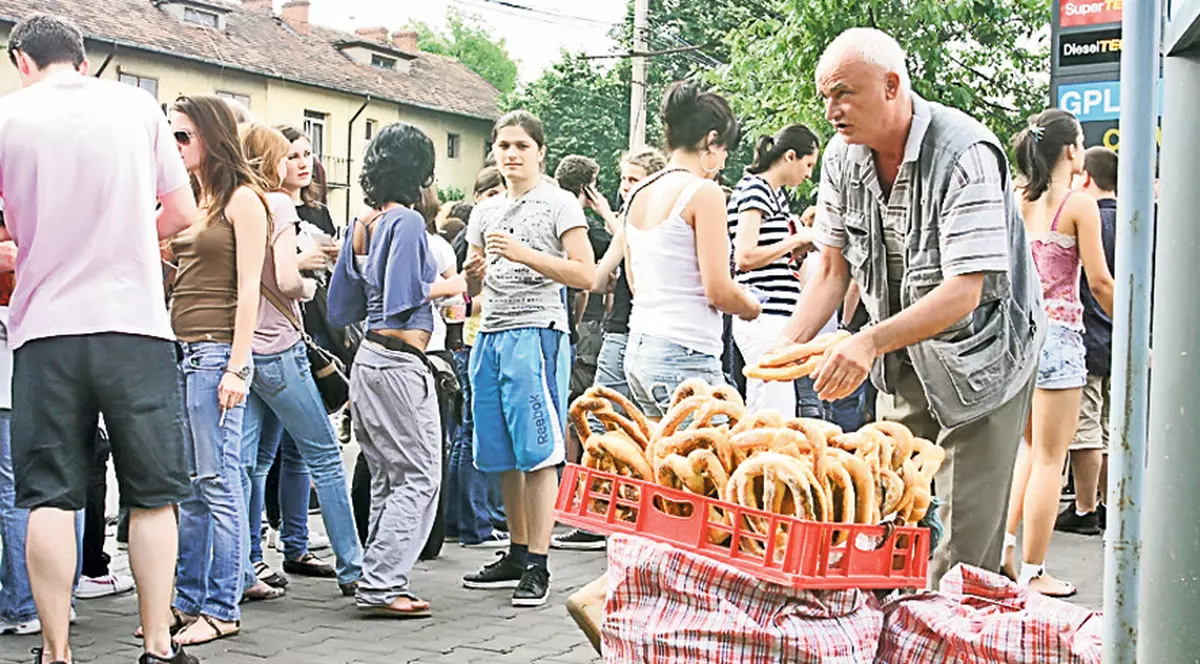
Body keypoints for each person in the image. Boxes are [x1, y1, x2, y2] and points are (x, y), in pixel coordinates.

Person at [781, 28, 1045, 587]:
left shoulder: (966, 152)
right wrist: (783, 355)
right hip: (903, 366)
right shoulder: (840, 158)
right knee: (889, 520)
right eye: (825, 96)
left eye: (843, 94)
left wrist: (869, 339)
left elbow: (964, 289)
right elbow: (832, 269)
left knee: (959, 548)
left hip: (982, 365)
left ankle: (963, 627)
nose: (830, 111)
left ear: (892, 85)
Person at [0, 14, 200, 664]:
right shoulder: (136, 106)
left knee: (49, 496)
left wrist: (28, 248)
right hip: (135, 326)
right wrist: (129, 237)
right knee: (151, 494)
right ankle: (158, 648)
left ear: (21, 61)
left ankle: (56, 654)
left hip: (45, 332)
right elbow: (183, 212)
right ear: (84, 61)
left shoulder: (9, 117)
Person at [461, 111, 597, 607]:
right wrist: (473, 274)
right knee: (500, 453)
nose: (512, 154)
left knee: (539, 451)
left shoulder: (560, 203)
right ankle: (516, 552)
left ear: (540, 150)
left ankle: (539, 562)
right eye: (503, 146)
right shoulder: (484, 211)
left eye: (521, 145)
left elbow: (587, 275)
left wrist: (524, 254)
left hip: (537, 331)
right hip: (490, 333)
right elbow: (472, 289)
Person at [237, 123, 363, 599]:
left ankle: (248, 562)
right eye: (289, 154)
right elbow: (287, 281)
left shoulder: (234, 203)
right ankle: (354, 567)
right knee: (325, 457)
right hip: (279, 345)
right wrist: (310, 285)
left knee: (251, 463)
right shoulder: (278, 204)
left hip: (243, 347)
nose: (300, 161)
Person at [327, 122, 448, 618]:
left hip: (368, 360)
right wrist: (452, 283)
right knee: (420, 475)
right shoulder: (408, 222)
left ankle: (374, 575)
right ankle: (381, 583)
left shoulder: (362, 224)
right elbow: (403, 300)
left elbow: (340, 307)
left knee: (385, 475)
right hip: (400, 361)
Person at [167, 95, 270, 646]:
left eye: (183, 136)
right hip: (184, 351)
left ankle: (222, 606)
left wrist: (238, 365)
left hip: (214, 355)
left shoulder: (243, 199)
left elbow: (249, 286)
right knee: (192, 486)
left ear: (210, 136)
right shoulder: (200, 200)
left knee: (220, 482)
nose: (175, 145)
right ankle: (188, 601)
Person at [1001, 110, 1114, 597]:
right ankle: (1034, 570)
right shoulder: (1077, 205)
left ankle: (1006, 550)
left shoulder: (1013, 201)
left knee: (1027, 451)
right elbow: (1101, 282)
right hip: (1062, 338)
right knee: (1052, 458)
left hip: (1017, 339)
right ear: (1071, 151)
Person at [621, 81, 761, 418]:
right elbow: (718, 290)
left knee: (666, 467)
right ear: (712, 141)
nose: (725, 162)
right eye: (725, 150)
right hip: (685, 353)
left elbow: (634, 280)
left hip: (640, 348)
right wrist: (750, 306)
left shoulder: (639, 193)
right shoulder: (704, 193)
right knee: (719, 463)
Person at [552, 147, 666, 552]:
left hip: (653, 334)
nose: (624, 187)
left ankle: (628, 517)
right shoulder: (627, 225)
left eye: (633, 179)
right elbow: (597, 281)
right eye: (623, 179)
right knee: (601, 422)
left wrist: (613, 224)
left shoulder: (667, 219)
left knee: (640, 427)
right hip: (619, 331)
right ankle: (603, 515)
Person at [728, 124, 822, 416]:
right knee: (773, 409)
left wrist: (795, 249)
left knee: (774, 404)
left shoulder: (772, 194)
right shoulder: (756, 190)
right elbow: (744, 255)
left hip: (775, 314)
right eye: (808, 165)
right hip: (764, 314)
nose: (808, 175)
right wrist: (796, 239)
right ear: (789, 156)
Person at [1056, 146, 1118, 536]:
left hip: (1090, 337)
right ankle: (1113, 505)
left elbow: (1092, 282)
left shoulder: (1085, 220)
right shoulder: (1144, 219)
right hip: (1124, 337)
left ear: (1087, 177)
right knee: (1112, 427)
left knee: (1086, 430)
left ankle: (1084, 509)